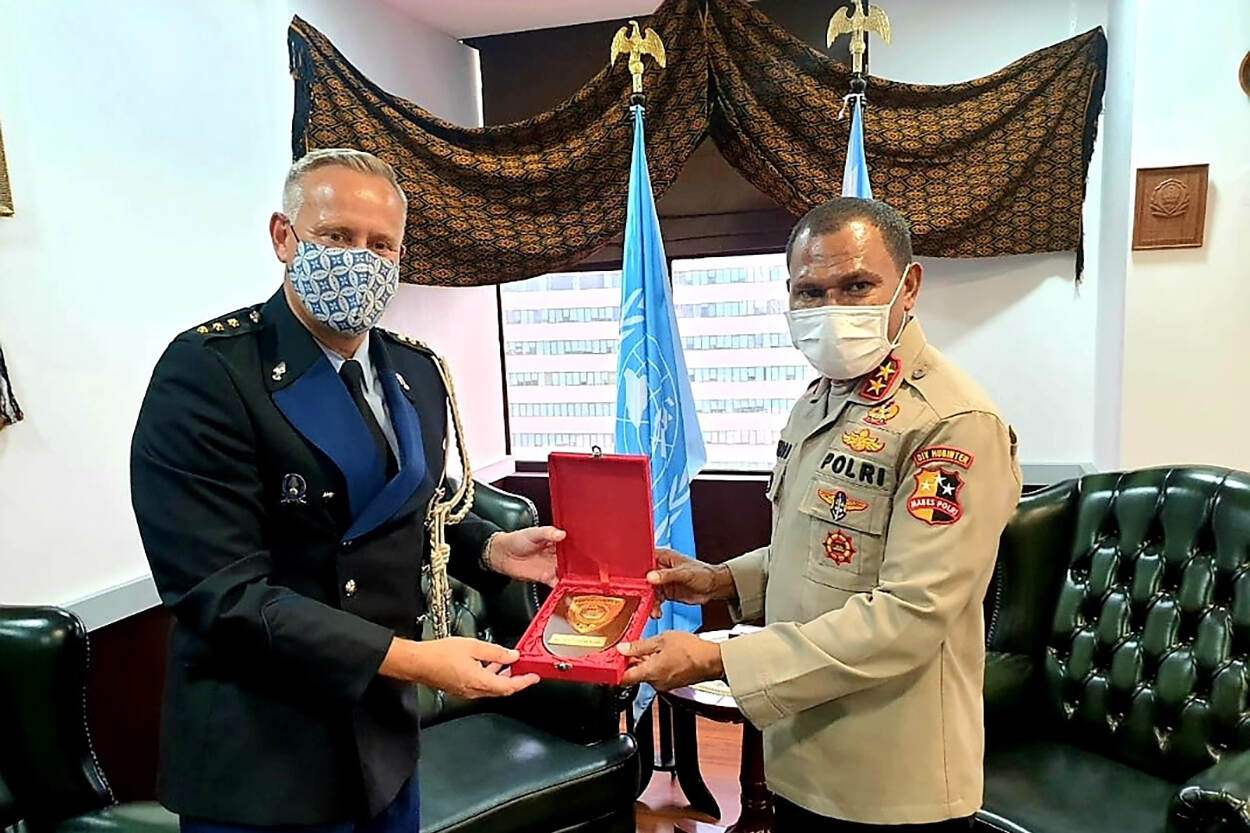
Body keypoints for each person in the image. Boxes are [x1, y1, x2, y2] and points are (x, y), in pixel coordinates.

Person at [131, 148, 564, 833]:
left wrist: (490, 547)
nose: (361, 260)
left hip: (383, 745)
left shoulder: (414, 371)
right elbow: (222, 593)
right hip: (263, 756)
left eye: (381, 244)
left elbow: (410, 501)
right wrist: (412, 659)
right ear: (284, 236)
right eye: (336, 236)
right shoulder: (209, 373)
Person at [620, 197, 1022, 831]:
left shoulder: (952, 422)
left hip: (891, 777)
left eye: (857, 286)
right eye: (810, 291)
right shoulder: (819, 400)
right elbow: (818, 547)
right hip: (802, 752)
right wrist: (719, 582)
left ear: (909, 286)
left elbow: (910, 615)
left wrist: (719, 661)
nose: (831, 307)